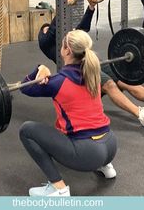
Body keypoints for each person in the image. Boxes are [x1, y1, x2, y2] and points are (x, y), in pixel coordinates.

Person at [38, 0, 144, 127]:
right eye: (46, 29)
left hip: (93, 62)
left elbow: (83, 28)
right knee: (109, 85)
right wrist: (63, 8)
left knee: (124, 80)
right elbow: (50, 34)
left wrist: (91, 7)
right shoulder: (45, 42)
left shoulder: (68, 37)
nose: (49, 29)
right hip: (79, 71)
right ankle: (140, 113)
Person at [19, 30, 117, 196]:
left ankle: (59, 189)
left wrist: (39, 68)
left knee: (27, 130)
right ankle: (106, 167)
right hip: (111, 145)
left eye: (62, 45)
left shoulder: (58, 82)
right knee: (65, 125)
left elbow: (25, 87)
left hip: (89, 153)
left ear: (67, 51)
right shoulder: (93, 74)